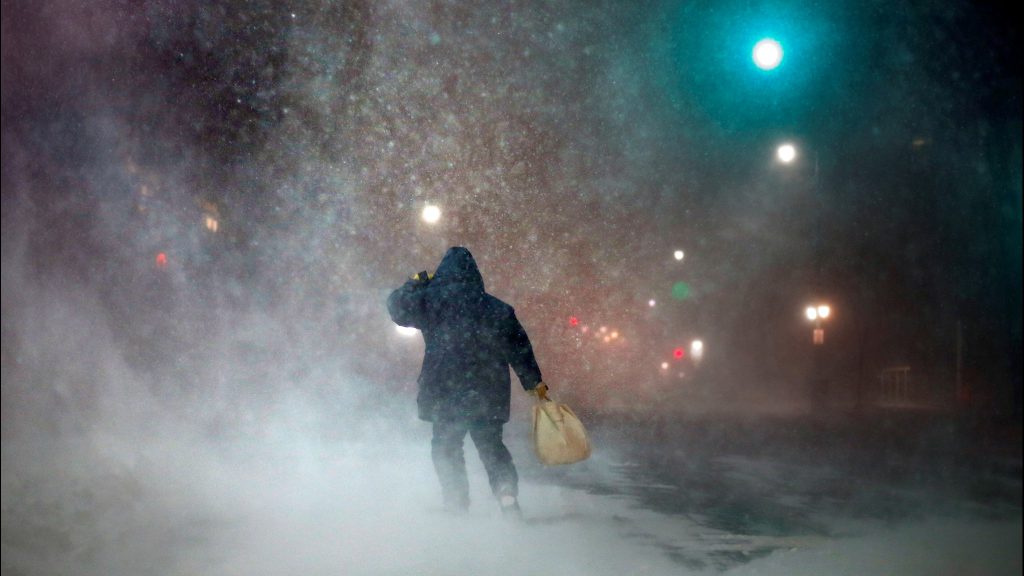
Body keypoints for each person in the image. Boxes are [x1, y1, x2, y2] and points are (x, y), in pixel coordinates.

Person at [387, 246, 548, 518]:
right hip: (488, 388)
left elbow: (396, 308)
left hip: (444, 388)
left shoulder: (431, 301)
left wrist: (415, 282)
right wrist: (534, 383)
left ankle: (456, 502)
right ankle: (507, 498)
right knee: (491, 447)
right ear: (475, 274)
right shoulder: (498, 308)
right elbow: (520, 350)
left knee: (446, 446)